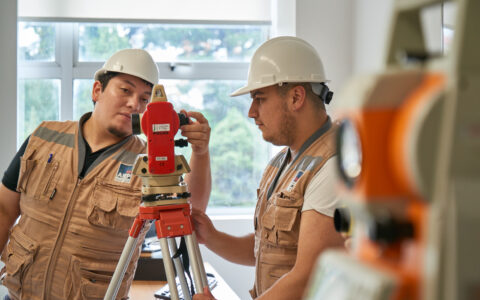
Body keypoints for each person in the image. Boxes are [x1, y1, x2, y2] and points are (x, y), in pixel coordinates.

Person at [0, 48, 212, 300]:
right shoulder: (44, 137)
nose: (135, 104)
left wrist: (200, 153)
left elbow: (192, 214)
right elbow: (4, 209)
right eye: (125, 90)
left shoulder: (147, 163)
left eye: (145, 99)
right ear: (97, 90)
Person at [192, 36, 345, 300]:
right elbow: (266, 248)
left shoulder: (332, 166)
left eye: (259, 98)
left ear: (296, 97)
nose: (251, 112)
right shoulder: (281, 163)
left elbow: (308, 276)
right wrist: (212, 237)